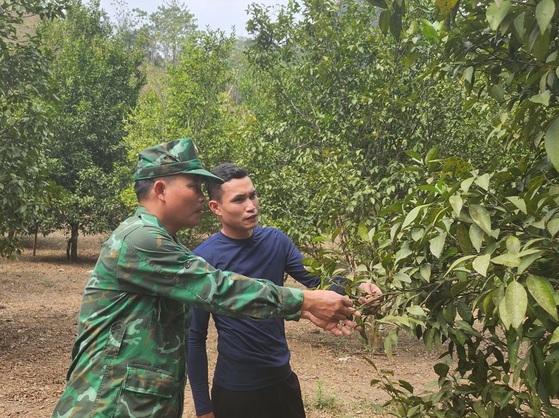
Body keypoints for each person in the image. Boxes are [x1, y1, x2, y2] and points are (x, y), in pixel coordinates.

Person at [51, 138, 360, 418]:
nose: (201, 197)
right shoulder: (140, 240)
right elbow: (218, 288)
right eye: (194, 187)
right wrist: (304, 301)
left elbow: (316, 276)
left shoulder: (165, 242)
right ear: (160, 190)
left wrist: (352, 287)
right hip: (107, 407)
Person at [187, 163, 381, 418]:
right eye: (239, 199)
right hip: (235, 390)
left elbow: (319, 282)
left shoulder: (276, 241)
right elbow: (194, 336)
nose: (251, 206)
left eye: (253, 195)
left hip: (282, 381)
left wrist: (358, 288)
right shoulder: (203, 259)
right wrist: (203, 407)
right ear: (216, 208)